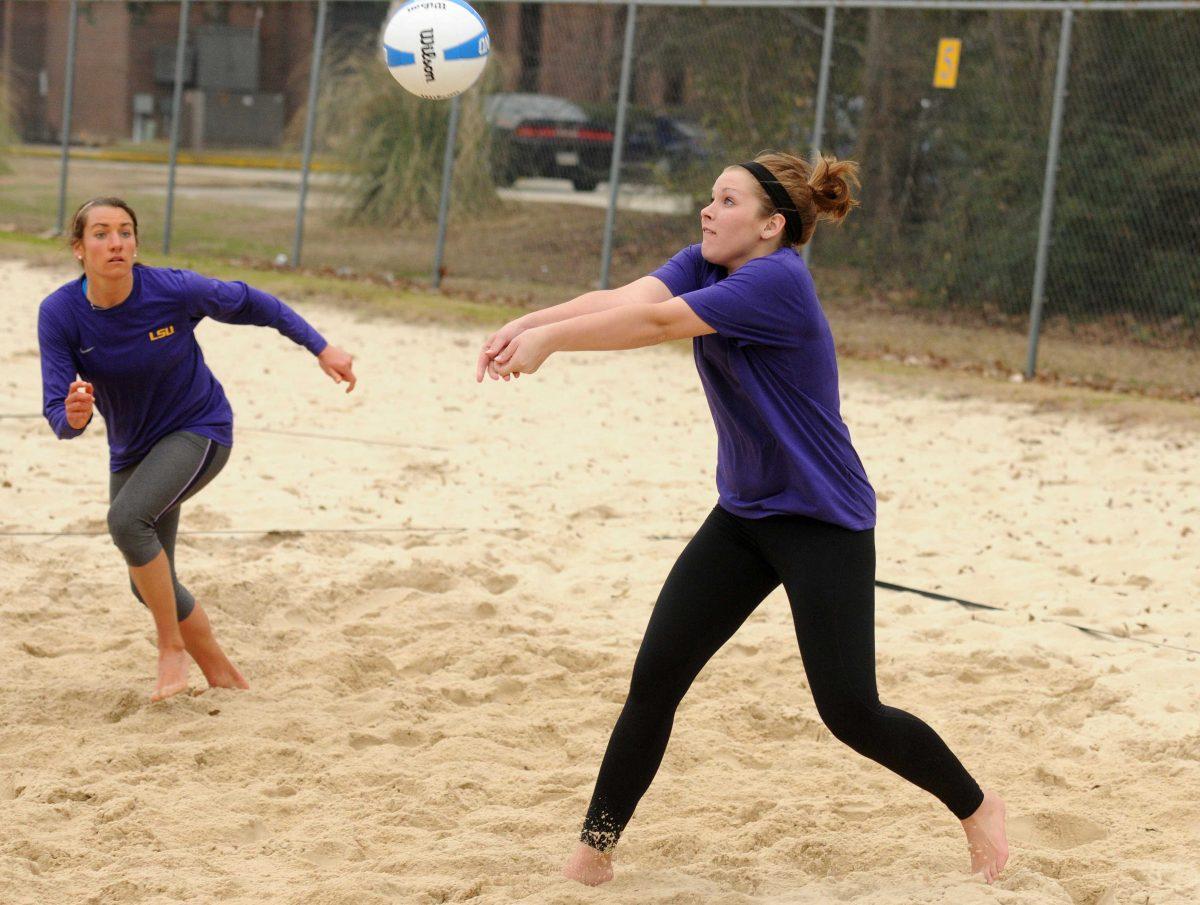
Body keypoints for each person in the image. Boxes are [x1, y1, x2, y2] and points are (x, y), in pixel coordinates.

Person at [476, 154, 1009, 886]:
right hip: (745, 515)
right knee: (656, 675)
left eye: (726, 201)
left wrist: (552, 344)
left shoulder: (777, 281)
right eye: (711, 197)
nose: (707, 210)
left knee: (851, 710)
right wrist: (528, 323)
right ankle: (592, 852)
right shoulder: (711, 262)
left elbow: (657, 322)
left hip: (823, 521)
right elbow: (624, 295)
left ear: (771, 225)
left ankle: (978, 807)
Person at [38, 197, 357, 702]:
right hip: (131, 448)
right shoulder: (59, 313)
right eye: (100, 233)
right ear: (79, 249)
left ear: (136, 243)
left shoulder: (171, 289)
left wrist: (322, 347)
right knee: (146, 581)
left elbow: (257, 303)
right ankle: (222, 672)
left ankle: (171, 650)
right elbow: (58, 413)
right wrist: (72, 415)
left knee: (125, 522)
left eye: (125, 231)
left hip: (199, 428)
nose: (115, 242)